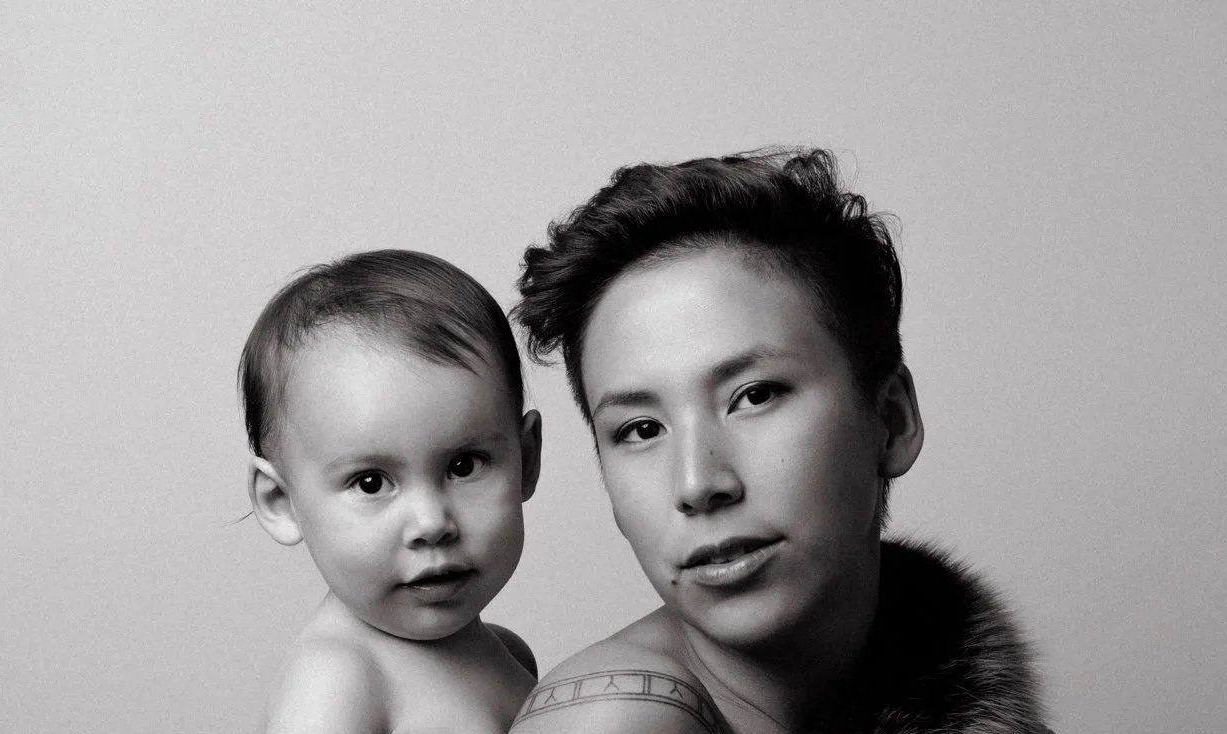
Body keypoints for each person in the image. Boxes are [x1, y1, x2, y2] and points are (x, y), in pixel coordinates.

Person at [510, 150, 1049, 733]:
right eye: (641, 430)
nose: (697, 483)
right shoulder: (616, 718)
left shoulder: (938, 668)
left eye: (755, 396)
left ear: (891, 420)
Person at [239, 250, 542, 733]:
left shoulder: (508, 654)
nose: (431, 523)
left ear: (526, 459)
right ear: (281, 502)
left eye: (463, 466)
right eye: (371, 482)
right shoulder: (336, 688)